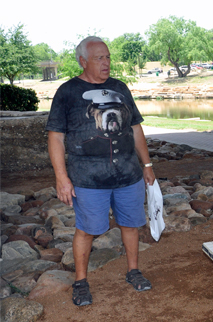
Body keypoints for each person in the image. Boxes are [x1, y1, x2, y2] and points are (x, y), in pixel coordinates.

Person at [46, 36, 155, 306]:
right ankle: (81, 282)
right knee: (87, 230)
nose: (106, 62)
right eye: (99, 58)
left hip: (128, 174)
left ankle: (133, 271)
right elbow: (56, 136)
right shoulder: (67, 92)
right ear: (83, 61)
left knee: (131, 225)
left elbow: (135, 127)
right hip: (88, 179)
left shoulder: (120, 87)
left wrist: (148, 164)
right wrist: (62, 178)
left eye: (107, 57)